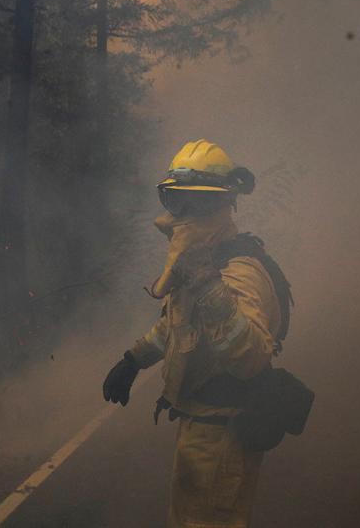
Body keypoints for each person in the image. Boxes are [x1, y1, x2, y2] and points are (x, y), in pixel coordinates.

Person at [102, 139, 288, 527]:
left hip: (223, 437)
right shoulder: (202, 263)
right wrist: (134, 359)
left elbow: (253, 357)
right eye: (176, 201)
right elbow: (177, 323)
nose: (184, 214)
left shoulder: (237, 271)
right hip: (200, 429)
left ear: (223, 205)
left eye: (197, 202)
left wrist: (209, 287)